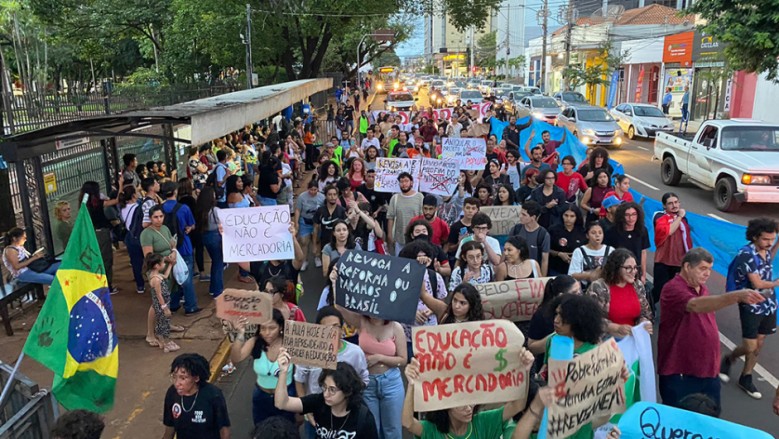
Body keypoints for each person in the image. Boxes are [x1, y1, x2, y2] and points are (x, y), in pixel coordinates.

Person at [658, 248, 764, 411]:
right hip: (681, 372)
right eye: (702, 268)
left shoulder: (702, 288)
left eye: (709, 269)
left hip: (708, 370)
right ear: (687, 267)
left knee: (711, 417)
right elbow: (695, 305)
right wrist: (736, 296)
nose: (707, 274)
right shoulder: (673, 288)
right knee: (679, 422)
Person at [401, 349, 535, 439]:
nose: (469, 408)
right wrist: (412, 384)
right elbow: (408, 423)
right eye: (461, 405)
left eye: (471, 401)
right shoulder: (432, 429)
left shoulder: (483, 421)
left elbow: (518, 405)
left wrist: (525, 372)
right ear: (445, 405)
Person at [720, 217, 779, 399]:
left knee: (759, 344)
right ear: (754, 237)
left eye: (773, 239)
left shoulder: (765, 250)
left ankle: (746, 376)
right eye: (766, 239)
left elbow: (770, 257)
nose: (769, 243)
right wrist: (777, 283)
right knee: (750, 345)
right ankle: (729, 358)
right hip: (751, 303)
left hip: (768, 303)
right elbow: (756, 282)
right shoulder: (747, 254)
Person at [334, 305, 407, 439]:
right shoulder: (361, 321)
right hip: (368, 382)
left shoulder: (395, 327)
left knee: (393, 429)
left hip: (391, 382)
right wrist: (334, 285)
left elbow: (403, 359)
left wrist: (379, 358)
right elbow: (341, 308)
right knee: (372, 428)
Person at [277, 354, 378, 439]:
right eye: (324, 387)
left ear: (347, 391)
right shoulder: (319, 402)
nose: (326, 394)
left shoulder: (363, 417)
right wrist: (283, 372)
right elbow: (282, 403)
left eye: (332, 390)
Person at [231, 309, 296, 425]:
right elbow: (236, 358)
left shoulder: (291, 343)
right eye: (263, 328)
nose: (267, 333)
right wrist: (240, 333)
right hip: (261, 396)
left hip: (287, 396)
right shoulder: (255, 342)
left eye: (272, 328)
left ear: (281, 327)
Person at [587, 248, 653, 338]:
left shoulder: (637, 285)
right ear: (616, 268)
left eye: (635, 268)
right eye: (628, 268)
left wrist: (643, 323)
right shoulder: (598, 287)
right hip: (607, 342)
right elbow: (591, 318)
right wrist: (615, 328)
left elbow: (645, 313)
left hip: (633, 338)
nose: (633, 271)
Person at [163, 353, 230, 439]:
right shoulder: (172, 393)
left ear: (196, 378)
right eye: (175, 377)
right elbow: (170, 427)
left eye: (183, 378)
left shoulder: (213, 395)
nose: (177, 383)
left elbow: (224, 429)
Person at [160, 182, 201, 314]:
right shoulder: (183, 208)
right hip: (183, 246)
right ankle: (191, 306)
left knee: (171, 277)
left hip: (166, 247)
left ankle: (173, 303)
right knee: (186, 276)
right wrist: (189, 228)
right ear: (175, 192)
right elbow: (192, 224)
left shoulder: (159, 209)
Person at [79, 179, 124, 294]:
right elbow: (118, 200)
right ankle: (107, 285)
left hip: (90, 233)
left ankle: (96, 283)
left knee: (94, 258)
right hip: (101, 233)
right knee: (106, 259)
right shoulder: (98, 203)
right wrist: (120, 185)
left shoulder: (83, 204)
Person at [652, 192, 692, 303]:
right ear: (664, 206)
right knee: (658, 291)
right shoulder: (659, 216)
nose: (674, 205)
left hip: (679, 263)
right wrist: (679, 216)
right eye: (670, 203)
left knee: (676, 293)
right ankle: (647, 312)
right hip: (663, 262)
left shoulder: (684, 219)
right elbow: (669, 231)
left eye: (676, 202)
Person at [605, 202, 650, 283]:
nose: (631, 218)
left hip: (635, 270)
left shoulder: (642, 230)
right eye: (627, 215)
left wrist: (643, 274)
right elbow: (608, 254)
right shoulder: (612, 232)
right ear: (621, 216)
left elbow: (643, 252)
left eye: (634, 214)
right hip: (618, 271)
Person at [146, 253, 179, 352]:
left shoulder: (156, 275)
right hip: (161, 305)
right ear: (156, 266)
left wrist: (170, 265)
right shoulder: (156, 280)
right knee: (163, 324)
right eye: (163, 263)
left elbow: (165, 275)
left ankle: (164, 342)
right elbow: (159, 295)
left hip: (162, 304)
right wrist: (165, 307)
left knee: (163, 323)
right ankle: (164, 343)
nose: (164, 264)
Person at [193, 187, 224, 296]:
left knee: (215, 262)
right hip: (216, 236)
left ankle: (213, 288)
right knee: (218, 263)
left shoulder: (200, 210)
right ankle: (218, 290)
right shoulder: (215, 210)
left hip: (205, 236)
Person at [386, 172, 424, 255]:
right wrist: (389, 236)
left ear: (411, 182)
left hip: (416, 239)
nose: (404, 184)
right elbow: (390, 217)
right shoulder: (395, 198)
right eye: (401, 181)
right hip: (399, 239)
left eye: (406, 181)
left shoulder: (420, 197)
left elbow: (422, 217)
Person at [569, 221, 613, 291]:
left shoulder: (611, 250)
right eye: (593, 233)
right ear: (587, 235)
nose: (597, 235)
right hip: (585, 290)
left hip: (607, 289)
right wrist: (589, 275)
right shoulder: (579, 251)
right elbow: (572, 275)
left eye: (600, 233)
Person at [509, 201, 550, 277]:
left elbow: (544, 260)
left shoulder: (543, 235)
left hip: (532, 273)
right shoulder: (516, 230)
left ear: (533, 217)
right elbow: (507, 250)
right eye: (521, 213)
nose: (520, 216)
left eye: (524, 215)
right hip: (514, 271)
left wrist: (542, 280)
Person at [313, 185, 348, 268]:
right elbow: (315, 228)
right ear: (326, 196)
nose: (332, 197)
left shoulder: (342, 211)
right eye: (330, 194)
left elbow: (346, 229)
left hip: (339, 244)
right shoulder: (320, 210)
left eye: (334, 194)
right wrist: (314, 245)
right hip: (325, 243)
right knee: (327, 269)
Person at [295, 180, 325, 272]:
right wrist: (296, 222)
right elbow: (298, 210)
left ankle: (317, 257)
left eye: (315, 190)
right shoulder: (302, 197)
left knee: (317, 240)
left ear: (318, 189)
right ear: (308, 189)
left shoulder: (322, 197)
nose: (313, 192)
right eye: (311, 190)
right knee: (304, 241)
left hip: (317, 221)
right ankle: (305, 260)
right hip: (305, 220)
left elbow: (324, 210)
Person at [548, 204, 586, 276]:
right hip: (556, 268)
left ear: (577, 217)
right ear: (562, 215)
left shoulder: (582, 232)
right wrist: (559, 254)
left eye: (572, 216)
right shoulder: (553, 230)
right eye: (566, 215)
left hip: (576, 270)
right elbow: (546, 249)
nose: (568, 219)